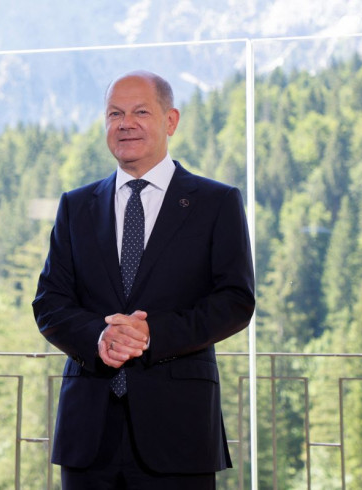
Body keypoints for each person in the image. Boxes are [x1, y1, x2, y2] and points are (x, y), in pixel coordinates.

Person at [32, 71, 255, 489]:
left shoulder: (216, 202)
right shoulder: (76, 206)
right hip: (88, 433)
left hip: (179, 431)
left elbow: (235, 300)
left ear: (170, 121)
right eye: (115, 113)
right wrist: (100, 338)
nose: (125, 123)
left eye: (140, 112)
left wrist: (150, 334)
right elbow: (50, 303)